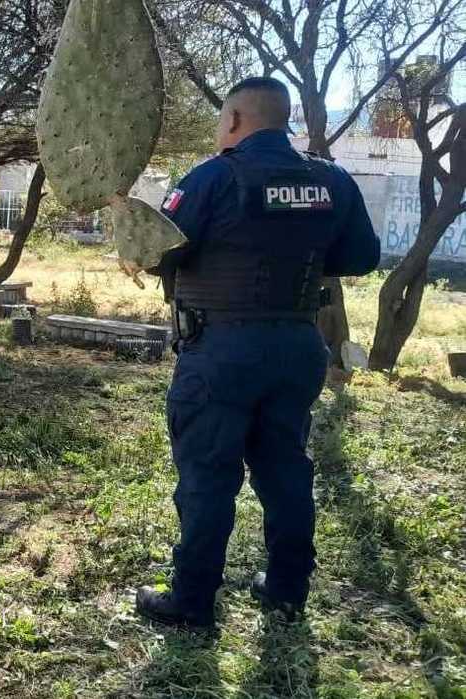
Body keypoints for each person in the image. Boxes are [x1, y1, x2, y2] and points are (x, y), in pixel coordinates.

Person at [135, 77, 380, 629]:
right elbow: (363, 256)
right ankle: (288, 590)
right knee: (285, 468)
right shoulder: (332, 180)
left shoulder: (213, 177)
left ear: (236, 120)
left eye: (224, 120)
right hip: (298, 346)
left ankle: (192, 600)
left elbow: (157, 252)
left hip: (220, 350)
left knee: (208, 476)